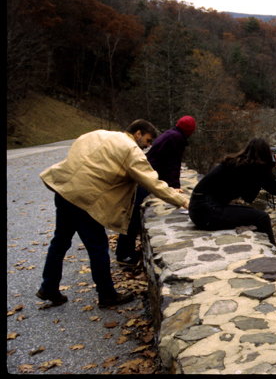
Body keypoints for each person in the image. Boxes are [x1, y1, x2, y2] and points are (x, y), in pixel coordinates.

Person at [36, 120, 190, 308]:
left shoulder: (98, 134)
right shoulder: (130, 150)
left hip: (65, 190)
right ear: (138, 133)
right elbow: (152, 182)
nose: (148, 146)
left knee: (59, 242)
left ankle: (48, 286)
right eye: (148, 140)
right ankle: (107, 294)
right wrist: (180, 200)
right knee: (98, 247)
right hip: (85, 200)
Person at [116, 116, 196, 266]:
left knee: (131, 217)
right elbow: (174, 162)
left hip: (146, 176)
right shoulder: (177, 138)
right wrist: (174, 186)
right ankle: (123, 254)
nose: (147, 145)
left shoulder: (171, 134)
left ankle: (125, 252)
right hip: (146, 179)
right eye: (147, 141)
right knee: (132, 218)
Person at [188, 138, 276, 249]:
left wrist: (265, 172)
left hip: (197, 210)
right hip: (207, 214)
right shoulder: (255, 168)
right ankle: (273, 251)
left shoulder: (236, 163)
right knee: (263, 217)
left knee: (253, 213)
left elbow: (248, 197)